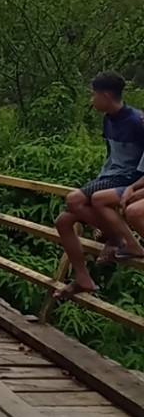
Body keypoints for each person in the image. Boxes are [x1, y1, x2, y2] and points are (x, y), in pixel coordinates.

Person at [54, 72, 144, 300]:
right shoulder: (108, 119)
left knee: (74, 199)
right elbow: (111, 155)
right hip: (110, 175)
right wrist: (99, 180)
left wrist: (135, 188)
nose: (91, 100)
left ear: (105, 95)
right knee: (63, 222)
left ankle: (121, 239)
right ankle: (83, 278)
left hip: (128, 177)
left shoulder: (136, 121)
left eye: (93, 95)